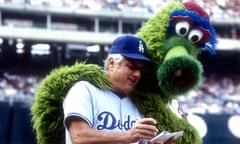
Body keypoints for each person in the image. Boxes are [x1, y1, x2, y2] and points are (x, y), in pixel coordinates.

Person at [63, 35, 176, 144]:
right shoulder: (84, 90)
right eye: (132, 66)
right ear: (112, 64)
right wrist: (128, 136)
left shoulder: (138, 103)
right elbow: (79, 136)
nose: (137, 74)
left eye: (140, 69)